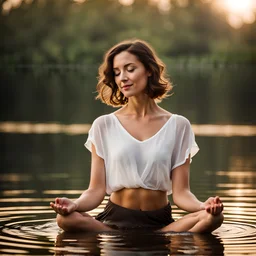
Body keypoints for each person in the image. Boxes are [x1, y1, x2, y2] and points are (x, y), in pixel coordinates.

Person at [50, 39, 224, 233]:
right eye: (117, 72)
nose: (122, 77)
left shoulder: (179, 125)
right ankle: (127, 237)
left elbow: (181, 193)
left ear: (149, 70)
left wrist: (204, 206)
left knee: (212, 218)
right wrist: (74, 205)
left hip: (160, 222)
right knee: (65, 219)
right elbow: (95, 191)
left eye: (130, 69)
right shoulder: (104, 124)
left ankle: (162, 236)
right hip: (114, 221)